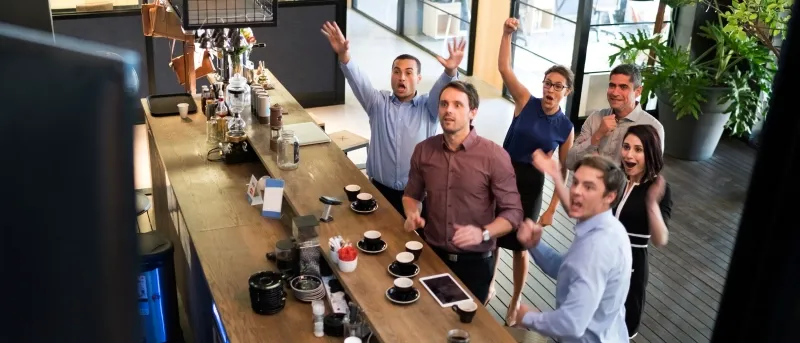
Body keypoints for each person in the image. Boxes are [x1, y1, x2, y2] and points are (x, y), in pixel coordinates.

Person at [320, 21, 464, 219]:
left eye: (408, 73)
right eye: (397, 71)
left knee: (416, 237)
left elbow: (442, 91)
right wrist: (344, 56)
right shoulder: (378, 103)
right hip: (380, 191)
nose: (401, 77)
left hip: (418, 195)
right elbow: (358, 81)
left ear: (419, 78)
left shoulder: (428, 108)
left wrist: (450, 72)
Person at [402, 81, 523, 304]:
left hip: (475, 264)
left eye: (457, 105)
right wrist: (412, 213)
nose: (448, 110)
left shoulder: (494, 156)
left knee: (467, 324)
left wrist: (484, 233)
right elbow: (411, 195)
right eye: (444, 104)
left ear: (473, 112)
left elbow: (513, 213)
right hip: (432, 256)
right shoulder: (423, 151)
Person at [490, 17, 575, 326]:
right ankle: (489, 283)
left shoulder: (566, 128)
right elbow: (504, 69)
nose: (550, 89)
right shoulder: (526, 101)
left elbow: (562, 170)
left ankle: (515, 300)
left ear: (567, 91)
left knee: (520, 246)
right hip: (503, 174)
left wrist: (552, 209)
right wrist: (506, 35)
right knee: (495, 236)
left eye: (557, 86)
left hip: (531, 185)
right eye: (547, 83)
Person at [515, 153, 631, 342]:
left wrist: (529, 317)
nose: (576, 191)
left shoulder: (596, 248)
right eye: (575, 183)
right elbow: (568, 268)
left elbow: (572, 323)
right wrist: (534, 245)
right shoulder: (609, 228)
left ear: (610, 196)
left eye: (588, 187)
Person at [615, 125, 672, 339]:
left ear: (650, 153)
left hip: (632, 266)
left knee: (622, 328)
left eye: (638, 149)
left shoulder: (657, 188)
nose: (629, 154)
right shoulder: (617, 178)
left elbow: (661, 238)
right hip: (604, 259)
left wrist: (651, 203)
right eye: (626, 147)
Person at [566, 64, 664, 170]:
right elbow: (570, 162)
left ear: (638, 91)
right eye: (612, 85)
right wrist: (597, 136)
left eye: (623, 87)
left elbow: (652, 171)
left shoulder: (653, 127)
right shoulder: (595, 118)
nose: (615, 92)